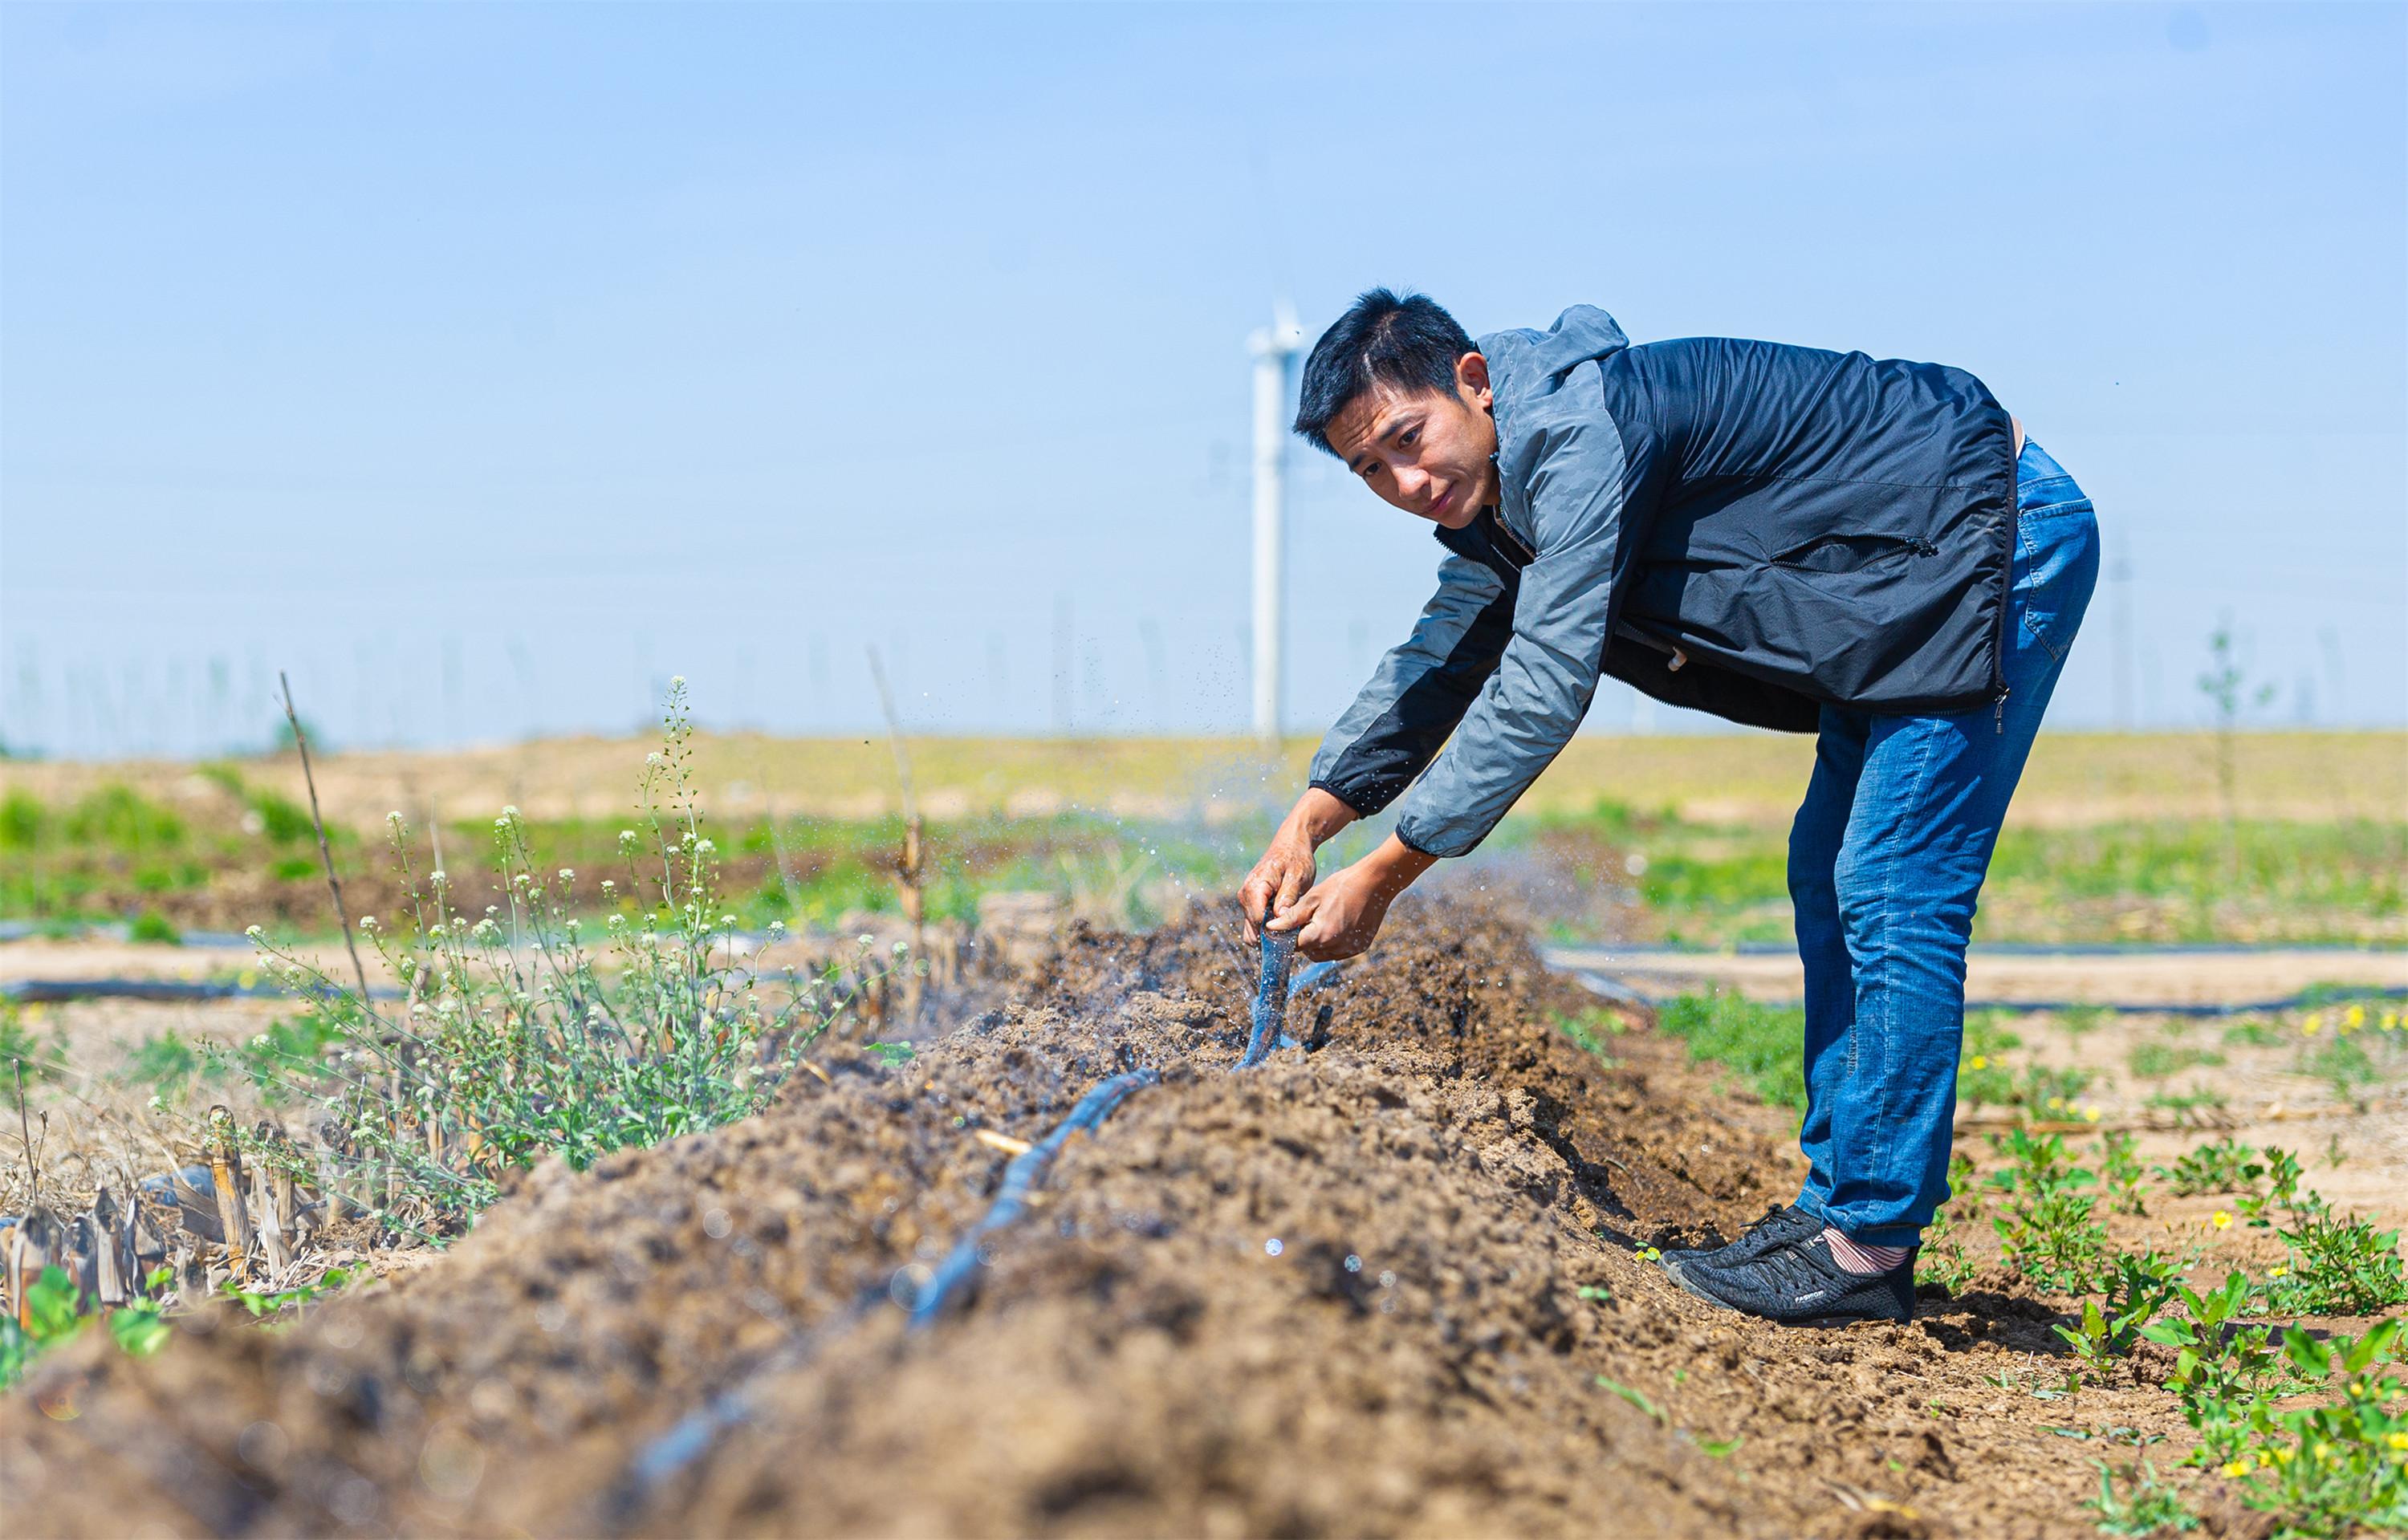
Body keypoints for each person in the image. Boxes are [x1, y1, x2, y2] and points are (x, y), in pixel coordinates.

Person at [1239, 290, 2098, 1325]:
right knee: (1831, 874)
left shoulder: (1577, 440)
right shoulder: (1505, 495)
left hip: (1980, 531)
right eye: (1370, 470)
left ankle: (1864, 1242)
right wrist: (1310, 820)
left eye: (1408, 441)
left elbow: (1546, 676)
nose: (1406, 483)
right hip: (1895, 576)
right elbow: (1445, 654)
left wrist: (1383, 873)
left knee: (1889, 884)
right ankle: (1838, 1208)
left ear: (1472, 382)